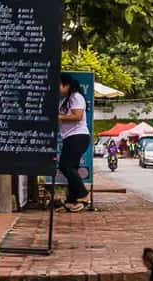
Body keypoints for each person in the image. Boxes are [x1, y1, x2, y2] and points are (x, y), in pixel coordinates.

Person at [58, 73, 90, 212]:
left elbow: (78, 116)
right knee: (71, 168)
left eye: (58, 85)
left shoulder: (76, 97)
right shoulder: (66, 99)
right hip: (70, 137)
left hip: (78, 136)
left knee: (65, 166)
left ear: (66, 85)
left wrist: (58, 117)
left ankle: (84, 194)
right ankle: (71, 200)